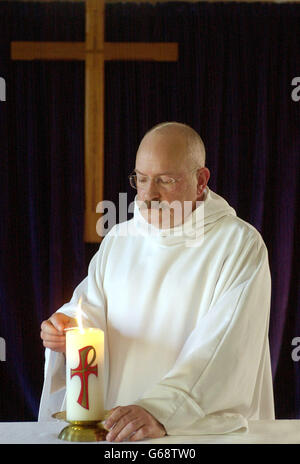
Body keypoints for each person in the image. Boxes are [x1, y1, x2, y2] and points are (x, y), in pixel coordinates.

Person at [39, 122, 274, 442]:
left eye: (165, 180)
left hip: (190, 431)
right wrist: (67, 329)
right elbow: (91, 308)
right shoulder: (121, 238)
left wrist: (160, 410)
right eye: (142, 179)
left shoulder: (237, 245)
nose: (148, 194)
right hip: (117, 429)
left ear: (201, 180)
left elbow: (225, 347)